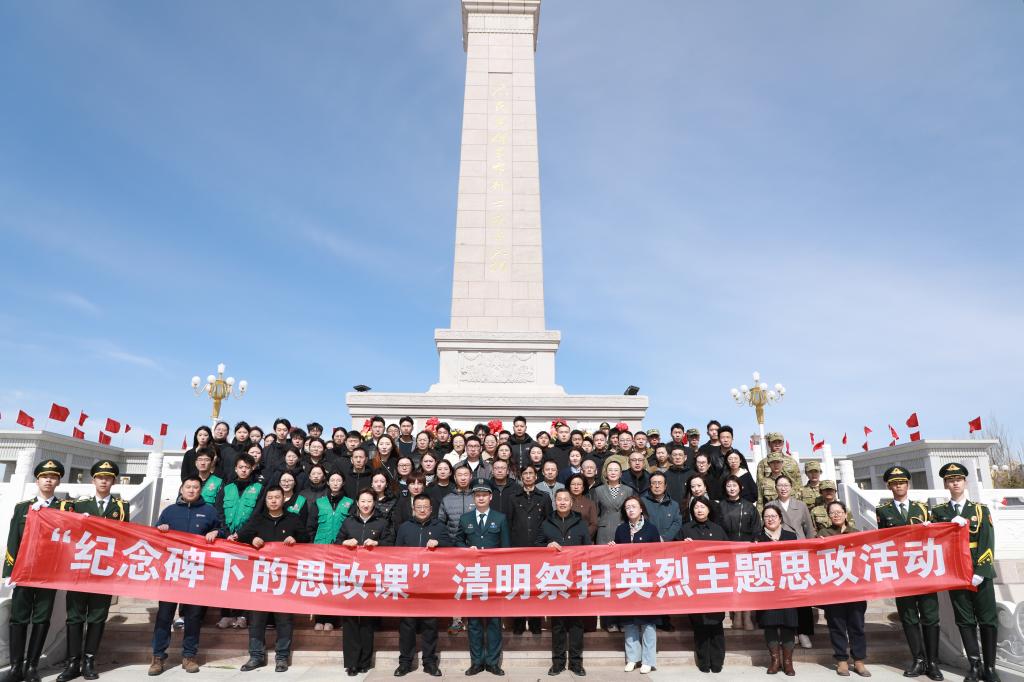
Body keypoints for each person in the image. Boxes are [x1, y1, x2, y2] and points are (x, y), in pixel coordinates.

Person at [57, 460, 130, 682]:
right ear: (93, 480)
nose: (104, 481)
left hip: (103, 572)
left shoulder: (120, 507)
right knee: (75, 617)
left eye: (108, 478)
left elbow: (123, 538)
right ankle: (72, 663)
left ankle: (89, 661)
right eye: (100, 478)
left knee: (97, 616)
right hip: (79, 569)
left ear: (113, 481)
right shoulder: (79, 505)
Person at [4, 460, 71, 682]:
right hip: (24, 572)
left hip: (48, 575)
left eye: (53, 477)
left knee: (42, 619)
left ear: (58, 481)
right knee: (18, 618)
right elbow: (13, 538)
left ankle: (32, 667)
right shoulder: (23, 507)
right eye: (44, 477)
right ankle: (16, 668)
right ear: (37, 480)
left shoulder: (65, 508)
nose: (48, 480)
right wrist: (9, 571)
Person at [930, 462, 998, 682]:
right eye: (950, 480)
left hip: (979, 572)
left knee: (987, 619)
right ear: (945, 484)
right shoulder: (939, 512)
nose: (955, 483)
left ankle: (990, 667)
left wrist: (982, 570)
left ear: (965, 482)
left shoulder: (979, 510)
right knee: (965, 620)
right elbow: (935, 543)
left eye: (958, 479)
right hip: (956, 573)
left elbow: (987, 541)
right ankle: (974, 665)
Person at [149, 477, 222, 676]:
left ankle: (189, 656)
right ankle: (158, 657)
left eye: (195, 487)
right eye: (188, 487)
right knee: (164, 616)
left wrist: (216, 532)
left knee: (194, 616)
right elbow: (155, 535)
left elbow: (222, 531)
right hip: (171, 572)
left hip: (196, 573)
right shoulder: (169, 511)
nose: (191, 490)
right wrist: (161, 529)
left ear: (200, 490)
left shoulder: (209, 511)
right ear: (181, 489)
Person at [875, 466, 942, 680]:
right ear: (889, 486)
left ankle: (933, 662)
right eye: (894, 483)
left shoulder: (922, 508)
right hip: (901, 572)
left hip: (924, 570)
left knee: (930, 616)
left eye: (902, 482)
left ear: (908, 484)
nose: (899, 486)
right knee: (909, 617)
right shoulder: (883, 511)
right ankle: (918, 660)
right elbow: (883, 541)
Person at [236, 485, 306, 673]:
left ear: (283, 499)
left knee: (284, 620)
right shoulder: (257, 519)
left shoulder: (293, 519)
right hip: (261, 579)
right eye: (270, 498)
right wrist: (251, 540)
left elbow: (306, 538)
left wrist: (295, 540)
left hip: (284, 579)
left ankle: (282, 657)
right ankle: (256, 656)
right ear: (265, 500)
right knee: (256, 620)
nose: (274, 501)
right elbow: (240, 536)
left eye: (277, 497)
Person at [457, 480, 511, 676]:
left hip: (493, 577)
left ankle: (493, 662)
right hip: (473, 576)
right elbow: (457, 540)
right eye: (477, 495)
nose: (480, 498)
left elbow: (506, 547)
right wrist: (466, 549)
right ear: (474, 498)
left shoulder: (500, 518)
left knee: (494, 621)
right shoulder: (465, 518)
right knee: (474, 622)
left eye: (484, 495)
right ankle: (477, 662)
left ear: (490, 497)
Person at [394, 494, 450, 677]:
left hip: (430, 585)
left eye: (426, 506)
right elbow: (395, 554)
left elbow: (451, 549)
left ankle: (429, 662)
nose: (422, 510)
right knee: (407, 625)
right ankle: (405, 662)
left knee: (430, 625)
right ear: (413, 509)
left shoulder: (440, 527)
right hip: (408, 585)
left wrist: (439, 544)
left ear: (431, 509)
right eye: (419, 507)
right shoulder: (405, 527)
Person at [338, 489, 391, 676]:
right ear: (357, 503)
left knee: (367, 622)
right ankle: (351, 663)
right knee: (350, 621)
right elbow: (337, 543)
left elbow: (392, 545)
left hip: (372, 578)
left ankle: (364, 662)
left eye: (369, 501)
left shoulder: (382, 522)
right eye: (363, 501)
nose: (366, 504)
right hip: (351, 578)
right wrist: (345, 543)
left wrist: (378, 545)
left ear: (374, 503)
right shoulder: (348, 522)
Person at [540, 489, 591, 676]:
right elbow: (536, 545)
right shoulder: (546, 523)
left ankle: (576, 663)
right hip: (555, 580)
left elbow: (588, 549)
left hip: (576, 579)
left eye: (566, 499)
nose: (562, 502)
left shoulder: (580, 523)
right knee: (558, 623)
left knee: (576, 623)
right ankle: (558, 662)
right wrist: (546, 546)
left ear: (571, 503)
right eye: (559, 499)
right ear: (555, 502)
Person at [818, 501, 870, 677]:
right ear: (828, 516)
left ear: (845, 514)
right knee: (836, 625)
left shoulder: (856, 533)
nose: (836, 515)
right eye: (832, 513)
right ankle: (841, 660)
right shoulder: (823, 534)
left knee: (857, 625)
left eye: (839, 512)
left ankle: (859, 660)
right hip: (833, 588)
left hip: (855, 587)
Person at [680, 497, 728, 673]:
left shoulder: (718, 529)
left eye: (703, 506)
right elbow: (674, 553)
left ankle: (717, 661)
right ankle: (703, 662)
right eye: (696, 507)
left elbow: (728, 553)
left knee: (716, 624)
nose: (699, 510)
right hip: (695, 583)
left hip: (715, 583)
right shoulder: (685, 529)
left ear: (709, 509)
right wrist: (683, 546)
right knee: (699, 625)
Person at [767, 475, 815, 648]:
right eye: (780, 485)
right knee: (784, 595)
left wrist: (809, 549)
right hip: (779, 554)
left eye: (786, 485)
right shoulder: (770, 505)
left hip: (799, 553)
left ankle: (804, 632)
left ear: (792, 487)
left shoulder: (801, 505)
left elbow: (809, 529)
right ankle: (789, 632)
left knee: (801, 595)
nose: (783, 488)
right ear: (775, 488)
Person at [614, 495, 660, 674]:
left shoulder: (651, 529)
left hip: (646, 580)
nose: (631, 509)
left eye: (634, 506)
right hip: (627, 580)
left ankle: (648, 660)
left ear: (641, 509)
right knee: (630, 621)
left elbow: (657, 554)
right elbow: (618, 555)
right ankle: (633, 658)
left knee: (648, 622)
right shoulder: (621, 530)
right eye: (627, 507)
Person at [755, 505, 798, 676]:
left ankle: (788, 662)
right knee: (770, 624)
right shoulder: (757, 538)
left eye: (773, 516)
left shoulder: (791, 536)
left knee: (788, 624)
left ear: (780, 518)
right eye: (767, 516)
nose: (770, 519)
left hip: (787, 587)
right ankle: (775, 660)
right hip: (767, 588)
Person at [509, 465, 552, 635]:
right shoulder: (513, 497)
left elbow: (548, 522)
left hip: (538, 548)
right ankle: (518, 624)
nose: (528, 476)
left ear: (536, 476)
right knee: (519, 588)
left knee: (536, 587)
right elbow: (509, 523)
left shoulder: (544, 497)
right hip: (517, 548)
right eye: (525, 474)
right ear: (521, 477)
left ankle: (535, 623)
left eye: (531, 474)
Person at [309, 470, 352, 631]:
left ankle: (332, 619)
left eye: (338, 480)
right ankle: (320, 618)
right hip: (320, 550)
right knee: (321, 584)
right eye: (332, 480)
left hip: (341, 550)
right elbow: (311, 527)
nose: (335, 483)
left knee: (337, 584)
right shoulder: (319, 502)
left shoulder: (350, 503)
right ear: (327, 482)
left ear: (343, 483)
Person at [719, 474, 760, 631]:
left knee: (746, 583)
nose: (731, 488)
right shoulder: (720, 506)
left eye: (734, 485)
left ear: (740, 487)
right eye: (728, 485)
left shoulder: (750, 507)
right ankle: (736, 614)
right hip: (727, 551)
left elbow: (756, 528)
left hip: (746, 551)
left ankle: (747, 615)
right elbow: (718, 529)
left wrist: (754, 543)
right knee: (733, 584)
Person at [564, 474, 597, 539]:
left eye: (579, 484)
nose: (576, 487)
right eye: (573, 484)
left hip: (585, 539)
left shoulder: (590, 503)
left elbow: (594, 524)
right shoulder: (563, 502)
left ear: (583, 487)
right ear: (569, 486)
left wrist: (583, 535)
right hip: (567, 539)